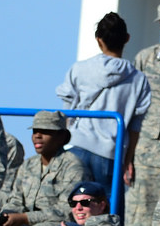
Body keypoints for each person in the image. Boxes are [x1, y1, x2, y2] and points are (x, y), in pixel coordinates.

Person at [57, 13, 152, 191]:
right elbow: (135, 127)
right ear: (127, 39)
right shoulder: (139, 79)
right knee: (107, 212)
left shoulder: (78, 69)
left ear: (98, 39)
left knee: (74, 208)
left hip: (76, 145)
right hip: (110, 154)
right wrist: (127, 160)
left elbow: (67, 112)